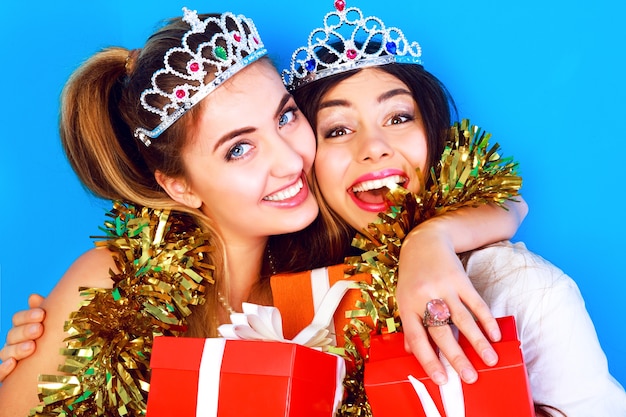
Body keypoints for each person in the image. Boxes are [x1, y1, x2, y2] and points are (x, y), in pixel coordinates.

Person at [0, 6, 528, 417]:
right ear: (179, 186)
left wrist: (428, 242)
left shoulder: (330, 272)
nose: (289, 159)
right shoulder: (114, 279)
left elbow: (495, 193)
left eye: (286, 117)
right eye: (238, 148)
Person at [273, 1, 626, 415]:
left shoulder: (522, 288)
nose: (373, 147)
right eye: (338, 130)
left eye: (399, 118)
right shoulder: (275, 305)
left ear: (434, 136)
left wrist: (429, 238)